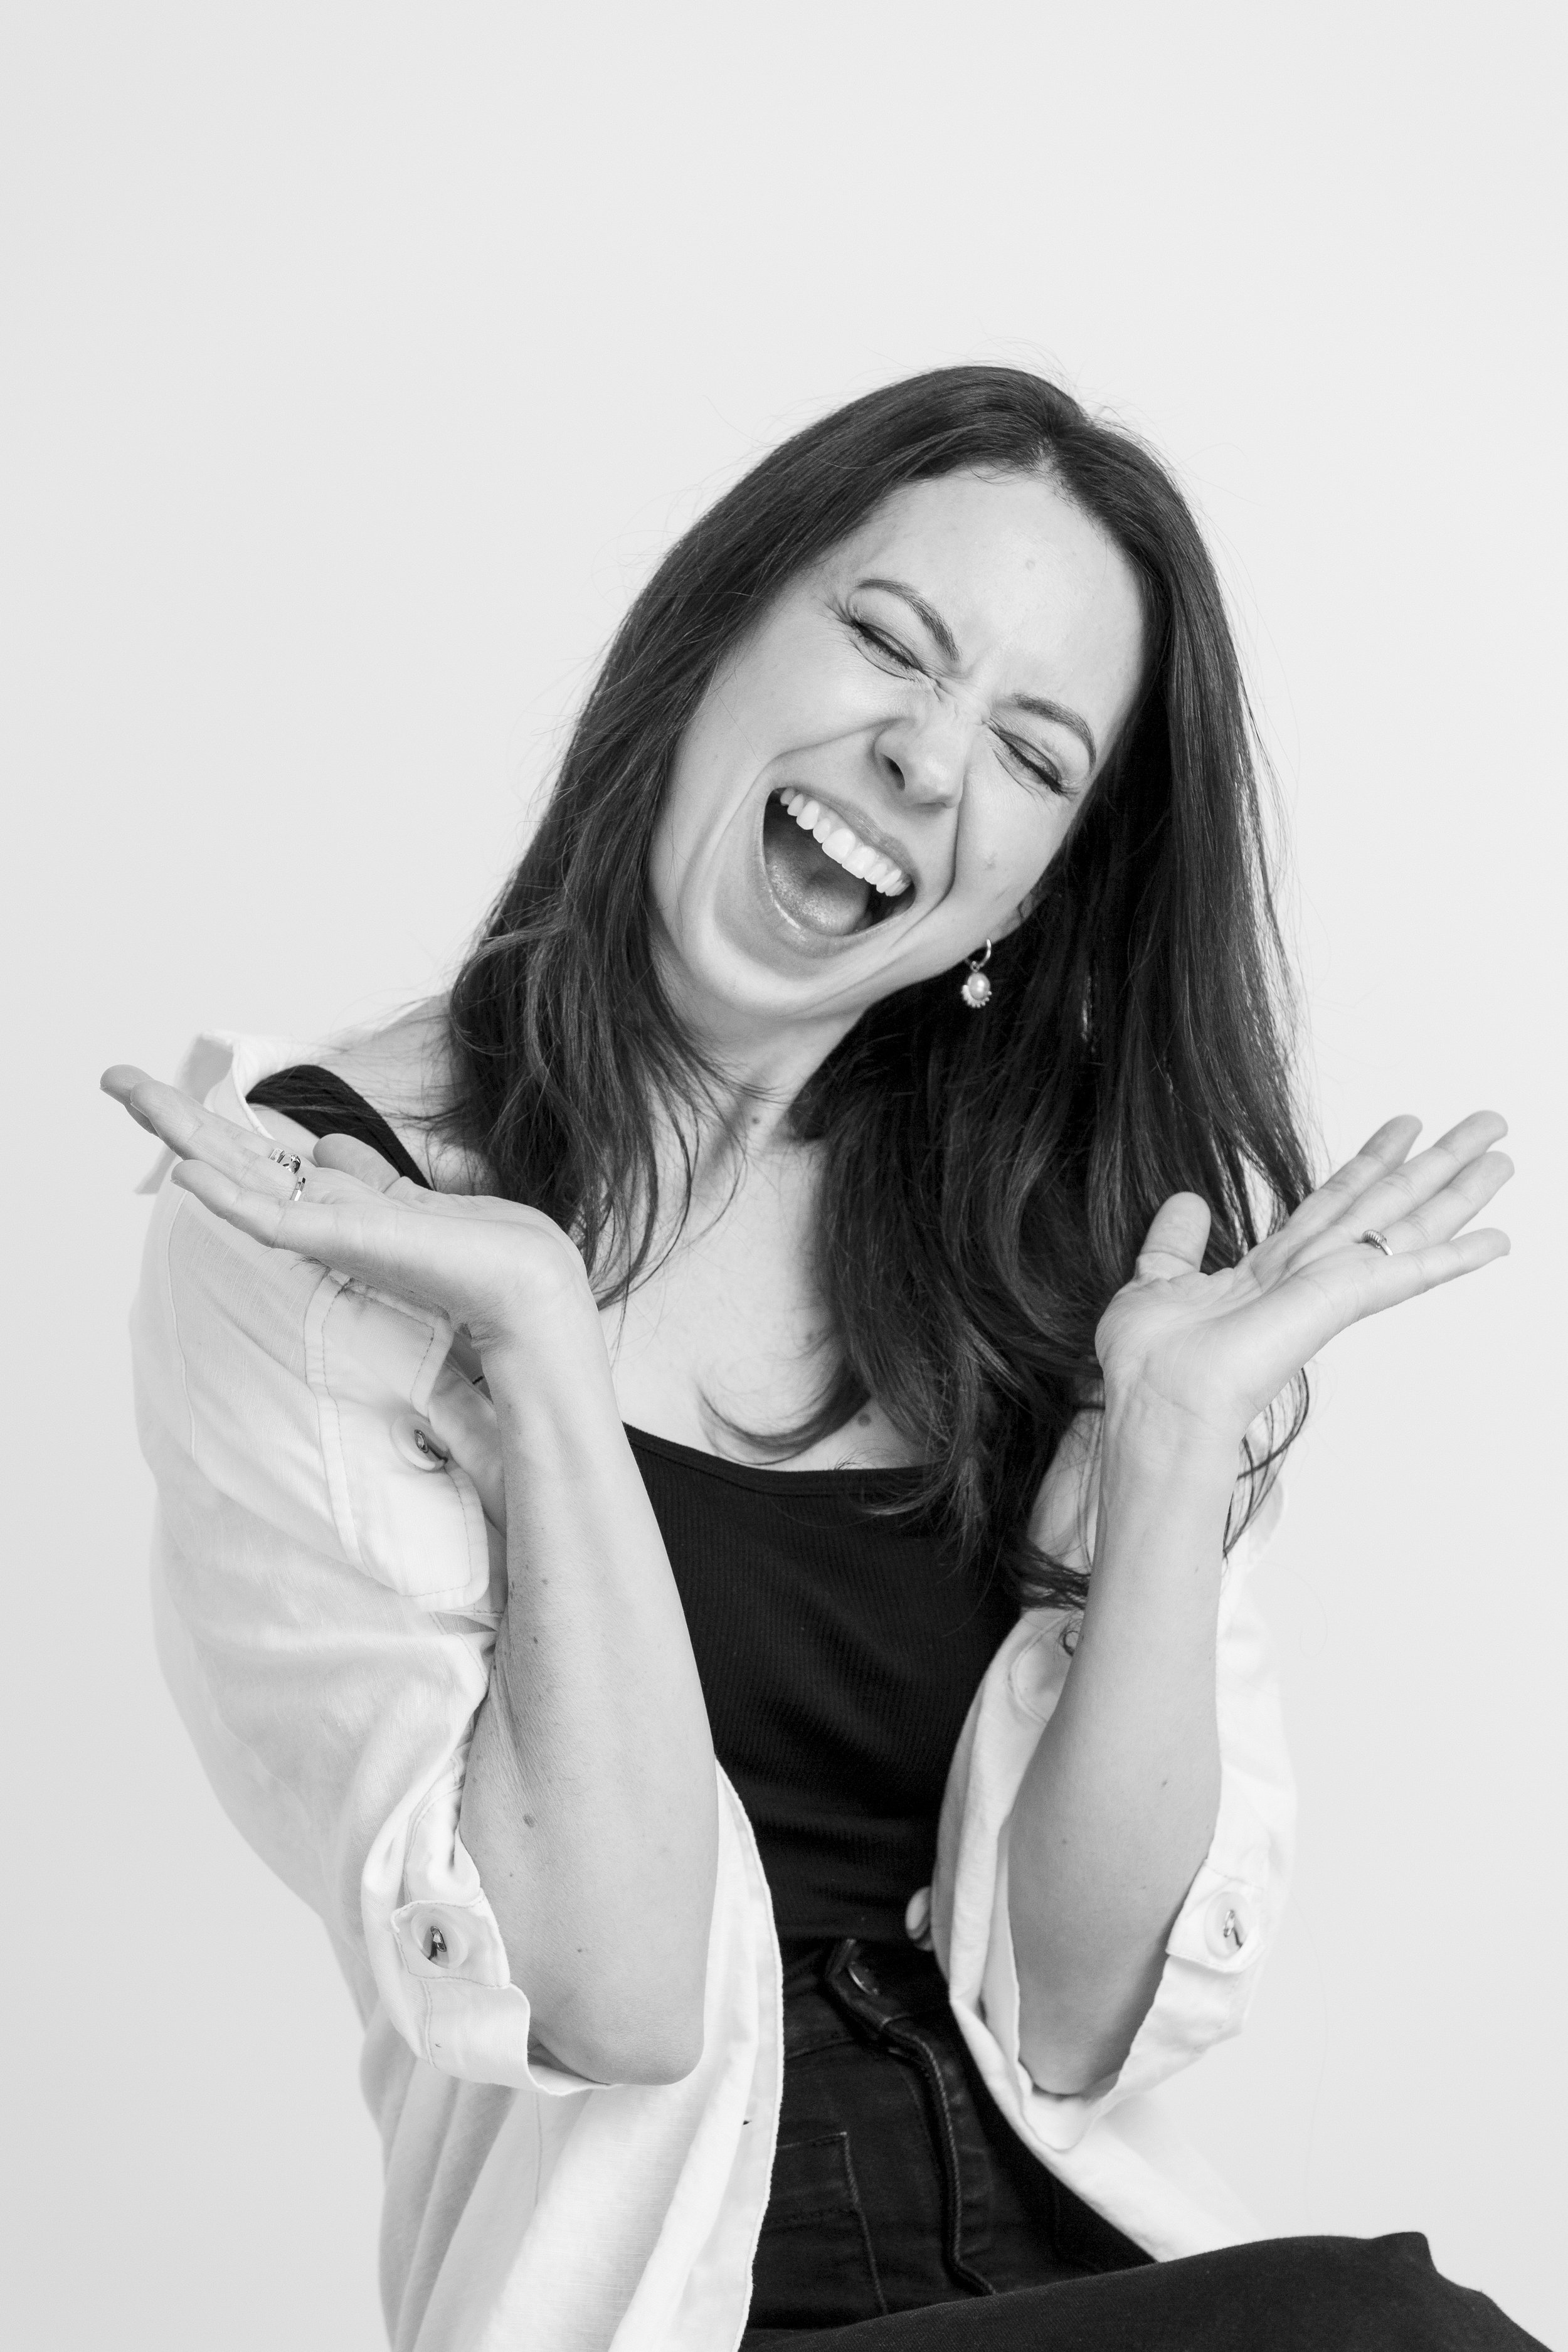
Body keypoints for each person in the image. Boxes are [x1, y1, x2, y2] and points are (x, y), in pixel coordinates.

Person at [105, 367, 1539, 2351]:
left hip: (1087, 2277)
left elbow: (1073, 2018)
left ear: (1033, 891)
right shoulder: (320, 1214)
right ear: (714, 630)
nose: (925, 759)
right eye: (886, 639)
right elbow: (603, 1988)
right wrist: (537, 1347)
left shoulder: (1050, 1264)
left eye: (1029, 752)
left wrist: (1171, 1447)